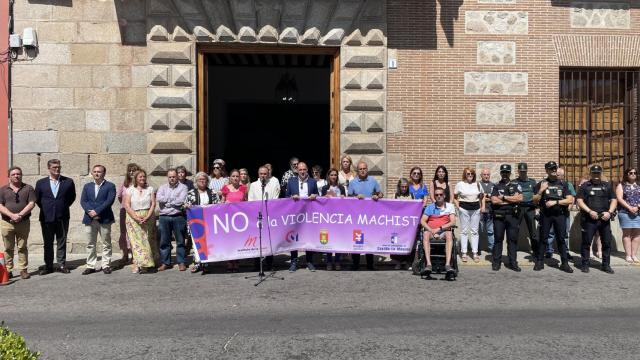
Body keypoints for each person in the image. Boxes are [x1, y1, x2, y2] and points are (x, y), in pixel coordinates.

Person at [35, 159, 76, 275]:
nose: (57, 169)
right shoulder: (41, 183)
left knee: (62, 241)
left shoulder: (68, 182)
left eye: (58, 167)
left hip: (62, 216)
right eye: (54, 167)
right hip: (46, 217)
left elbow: (71, 197)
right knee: (47, 242)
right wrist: (48, 208)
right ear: (49, 168)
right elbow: (37, 199)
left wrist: (61, 206)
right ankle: (48, 266)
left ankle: (62, 264)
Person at [533, 161, 574, 273]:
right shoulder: (541, 183)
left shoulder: (563, 184)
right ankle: (540, 262)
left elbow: (570, 200)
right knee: (543, 238)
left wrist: (555, 202)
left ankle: (564, 263)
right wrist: (541, 190)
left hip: (559, 215)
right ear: (546, 170)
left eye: (555, 168)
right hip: (546, 215)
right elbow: (534, 200)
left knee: (561, 239)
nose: (554, 170)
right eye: (551, 169)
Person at [576, 165, 616, 274]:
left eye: (598, 173)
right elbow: (579, 201)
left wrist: (610, 212)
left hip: (604, 219)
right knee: (586, 242)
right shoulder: (585, 186)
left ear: (601, 173)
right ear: (591, 174)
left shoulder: (607, 186)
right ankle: (585, 264)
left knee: (606, 242)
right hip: (589, 219)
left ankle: (606, 265)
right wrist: (589, 211)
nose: (596, 175)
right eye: (594, 173)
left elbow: (613, 200)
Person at [80, 165, 117, 275]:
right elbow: (83, 201)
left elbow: (109, 201)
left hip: (104, 218)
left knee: (106, 243)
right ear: (92, 173)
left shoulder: (110, 186)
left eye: (99, 172)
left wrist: (97, 211)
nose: (96, 173)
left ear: (104, 173)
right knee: (90, 243)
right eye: (95, 171)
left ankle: (106, 265)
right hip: (89, 218)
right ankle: (91, 265)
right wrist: (90, 212)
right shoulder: (87, 186)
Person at [0, 166, 36, 279]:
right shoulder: (2, 190)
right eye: (14, 174)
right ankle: (9, 270)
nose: (16, 176)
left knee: (22, 247)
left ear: (21, 175)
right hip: (7, 223)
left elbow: (31, 203)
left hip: (23, 222)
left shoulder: (28, 188)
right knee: (8, 248)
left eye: (18, 174)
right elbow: (0, 205)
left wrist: (20, 215)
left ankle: (23, 270)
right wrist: (12, 215)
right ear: (9, 176)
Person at [348, 161, 383, 271]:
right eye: (360, 169)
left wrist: (377, 196)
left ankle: (370, 264)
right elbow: (348, 198)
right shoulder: (352, 182)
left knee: (369, 239)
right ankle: (355, 264)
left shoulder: (373, 180)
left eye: (364, 168)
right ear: (357, 171)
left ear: (367, 169)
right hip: (356, 216)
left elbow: (380, 193)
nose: (363, 171)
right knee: (356, 239)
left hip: (370, 216)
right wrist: (355, 197)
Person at [184, 172, 221, 273]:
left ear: (207, 181)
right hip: (195, 223)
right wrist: (186, 206)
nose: (202, 181)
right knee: (196, 244)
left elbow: (217, 206)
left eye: (204, 179)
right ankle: (197, 263)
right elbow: (185, 205)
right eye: (199, 179)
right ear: (196, 181)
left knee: (208, 243)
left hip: (208, 222)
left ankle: (206, 264)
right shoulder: (191, 193)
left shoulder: (212, 192)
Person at [286, 162, 319, 272]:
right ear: (297, 170)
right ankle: (294, 261)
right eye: (300, 170)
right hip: (295, 215)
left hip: (309, 215)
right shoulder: (291, 182)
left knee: (309, 237)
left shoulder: (313, 182)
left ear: (307, 169)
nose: (302, 171)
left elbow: (317, 196)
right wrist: (291, 197)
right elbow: (286, 198)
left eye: (304, 169)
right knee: (294, 237)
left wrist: (315, 196)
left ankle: (309, 261)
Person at [490, 164, 523, 272]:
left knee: (512, 240)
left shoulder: (516, 185)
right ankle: (496, 262)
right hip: (499, 216)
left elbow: (519, 199)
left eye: (507, 172)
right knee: (498, 239)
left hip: (512, 216)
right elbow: (494, 200)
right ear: (500, 173)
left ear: (510, 173)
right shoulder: (496, 186)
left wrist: (504, 198)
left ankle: (513, 263)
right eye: (503, 172)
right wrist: (510, 199)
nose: (505, 174)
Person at [123, 169, 157, 274]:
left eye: (144, 176)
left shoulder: (150, 189)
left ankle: (147, 263)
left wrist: (147, 216)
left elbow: (153, 204)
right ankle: (138, 264)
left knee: (147, 240)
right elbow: (127, 205)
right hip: (133, 217)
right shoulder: (130, 190)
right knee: (136, 242)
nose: (142, 178)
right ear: (136, 179)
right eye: (140, 177)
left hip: (148, 216)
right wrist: (136, 217)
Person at [156, 169, 189, 272]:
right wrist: (172, 200)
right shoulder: (162, 187)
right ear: (167, 177)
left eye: (174, 176)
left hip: (178, 216)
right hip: (164, 217)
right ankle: (166, 262)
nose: (172, 179)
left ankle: (181, 262)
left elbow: (181, 200)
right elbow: (159, 198)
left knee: (180, 240)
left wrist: (167, 201)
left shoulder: (183, 187)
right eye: (170, 177)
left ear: (177, 177)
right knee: (164, 241)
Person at [248, 166, 280, 271]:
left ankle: (270, 264)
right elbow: (250, 200)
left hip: (270, 216)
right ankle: (257, 264)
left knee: (269, 240)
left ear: (268, 174)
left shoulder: (272, 184)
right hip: (257, 217)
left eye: (265, 174)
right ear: (258, 174)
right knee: (257, 240)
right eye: (261, 174)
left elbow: (275, 199)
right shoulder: (253, 185)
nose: (263, 176)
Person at [420, 187, 457, 275]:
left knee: (449, 234)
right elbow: (422, 221)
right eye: (436, 195)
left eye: (441, 194)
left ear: (444, 196)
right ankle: (428, 264)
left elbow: (452, 222)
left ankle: (447, 264)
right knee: (425, 234)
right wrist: (432, 231)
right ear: (434, 196)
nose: (439, 196)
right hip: (431, 232)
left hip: (443, 231)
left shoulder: (450, 206)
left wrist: (439, 229)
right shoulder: (430, 207)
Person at [545, 167, 576, 259]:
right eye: (556, 174)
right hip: (551, 212)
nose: (556, 175)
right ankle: (549, 251)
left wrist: (569, 208)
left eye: (558, 175)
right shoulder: (548, 183)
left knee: (565, 233)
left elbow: (572, 198)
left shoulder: (567, 184)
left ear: (562, 176)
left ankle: (565, 251)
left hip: (564, 212)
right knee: (550, 232)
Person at [221, 169, 248, 272]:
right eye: (233, 176)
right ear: (230, 178)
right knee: (229, 241)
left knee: (237, 241)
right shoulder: (225, 188)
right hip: (228, 219)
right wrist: (225, 203)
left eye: (237, 176)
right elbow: (221, 203)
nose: (235, 178)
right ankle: (229, 262)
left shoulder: (243, 188)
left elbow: (246, 202)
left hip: (239, 220)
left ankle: (236, 262)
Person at [454, 167, 483, 263]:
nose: (470, 175)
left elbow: (482, 196)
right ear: (465, 175)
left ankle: (475, 253)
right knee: (464, 231)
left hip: (475, 209)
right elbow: (455, 197)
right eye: (468, 173)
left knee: (474, 231)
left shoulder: (478, 184)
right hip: (464, 209)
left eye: (471, 173)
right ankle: (464, 253)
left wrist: (482, 207)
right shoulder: (460, 184)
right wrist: (458, 207)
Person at [321, 168, 347, 270]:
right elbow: (320, 203)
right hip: (327, 217)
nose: (333, 177)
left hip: (339, 217)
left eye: (335, 175)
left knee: (338, 239)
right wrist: (324, 197)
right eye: (331, 175)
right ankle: (328, 261)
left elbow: (346, 203)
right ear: (328, 176)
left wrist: (343, 197)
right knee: (328, 239)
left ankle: (337, 261)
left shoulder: (341, 188)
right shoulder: (324, 188)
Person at [616, 167, 640, 263]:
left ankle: (634, 255)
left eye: (635, 172)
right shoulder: (621, 185)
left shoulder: (639, 185)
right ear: (626, 174)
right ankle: (628, 255)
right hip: (625, 212)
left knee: (637, 234)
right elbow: (619, 198)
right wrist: (629, 207)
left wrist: (637, 207)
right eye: (630, 173)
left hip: (638, 212)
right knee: (627, 234)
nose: (633, 174)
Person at [515, 162, 539, 257]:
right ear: (518, 171)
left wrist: (537, 208)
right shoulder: (514, 182)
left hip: (530, 208)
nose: (522, 173)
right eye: (521, 171)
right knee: (515, 229)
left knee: (533, 231)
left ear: (527, 171)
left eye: (524, 171)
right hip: (518, 207)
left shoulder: (532, 182)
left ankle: (535, 251)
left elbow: (537, 196)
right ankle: (513, 249)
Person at [117, 163, 139, 266]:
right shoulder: (125, 183)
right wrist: (126, 205)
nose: (131, 173)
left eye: (133, 171)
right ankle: (125, 254)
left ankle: (134, 255)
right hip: (124, 211)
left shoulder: (139, 183)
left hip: (135, 211)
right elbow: (120, 196)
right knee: (124, 232)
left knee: (134, 232)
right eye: (129, 171)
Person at [391, 178, 414, 270]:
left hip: (408, 224)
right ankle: (398, 262)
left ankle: (408, 262)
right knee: (396, 242)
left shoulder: (411, 195)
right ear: (399, 187)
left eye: (405, 187)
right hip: (397, 224)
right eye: (402, 187)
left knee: (408, 242)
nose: (404, 188)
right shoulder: (395, 195)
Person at [478, 168, 495, 253]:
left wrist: (485, 196)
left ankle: (491, 249)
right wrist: (486, 197)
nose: (486, 176)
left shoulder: (493, 185)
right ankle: (477, 249)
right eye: (484, 174)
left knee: (490, 231)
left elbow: (495, 197)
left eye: (488, 174)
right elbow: (477, 197)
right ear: (481, 175)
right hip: (479, 211)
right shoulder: (477, 185)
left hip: (490, 211)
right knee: (478, 231)